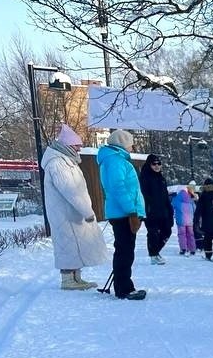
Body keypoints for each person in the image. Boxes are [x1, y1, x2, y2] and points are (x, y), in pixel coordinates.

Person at [41, 123, 107, 290]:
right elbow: (70, 190)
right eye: (77, 145)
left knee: (74, 245)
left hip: (70, 213)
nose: (80, 148)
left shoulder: (65, 161)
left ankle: (76, 277)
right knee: (68, 245)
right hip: (65, 214)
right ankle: (68, 280)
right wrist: (87, 211)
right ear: (67, 145)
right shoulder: (58, 163)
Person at [96, 129, 147, 300]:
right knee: (124, 251)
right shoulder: (115, 161)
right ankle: (124, 288)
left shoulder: (115, 159)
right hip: (123, 213)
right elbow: (118, 187)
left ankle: (124, 285)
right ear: (122, 143)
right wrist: (131, 211)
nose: (133, 146)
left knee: (125, 250)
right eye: (130, 143)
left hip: (124, 212)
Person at [138, 153, 174, 264]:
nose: (157, 166)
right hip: (150, 212)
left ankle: (155, 251)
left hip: (163, 211)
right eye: (154, 164)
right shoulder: (145, 177)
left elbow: (165, 196)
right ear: (149, 164)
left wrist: (170, 210)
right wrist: (147, 209)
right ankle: (153, 255)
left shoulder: (161, 178)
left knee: (167, 231)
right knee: (153, 233)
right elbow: (143, 195)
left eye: (159, 163)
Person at [172, 182, 198, 255]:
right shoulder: (190, 200)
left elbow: (172, 207)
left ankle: (183, 249)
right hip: (190, 221)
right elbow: (195, 209)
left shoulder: (176, 199)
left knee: (182, 234)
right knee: (191, 234)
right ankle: (192, 249)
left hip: (181, 220)